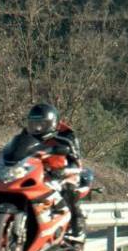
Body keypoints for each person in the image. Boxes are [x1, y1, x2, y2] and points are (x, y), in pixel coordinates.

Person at [24, 102, 89, 241]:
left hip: (63, 170)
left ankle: (78, 220)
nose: (37, 128)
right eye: (33, 124)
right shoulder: (28, 134)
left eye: (41, 124)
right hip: (39, 170)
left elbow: (76, 159)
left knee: (68, 188)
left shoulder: (67, 135)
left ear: (51, 123)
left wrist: (66, 171)